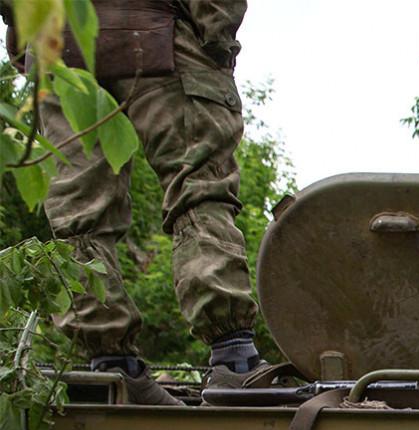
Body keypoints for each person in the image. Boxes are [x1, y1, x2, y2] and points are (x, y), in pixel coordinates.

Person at [3, 0, 264, 405]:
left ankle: (109, 363)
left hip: (57, 40)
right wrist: (217, 42)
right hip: (160, 31)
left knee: (79, 213)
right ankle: (235, 358)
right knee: (198, 188)